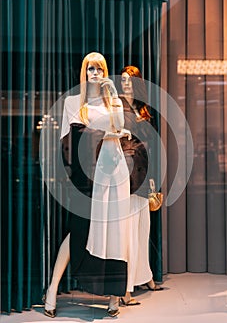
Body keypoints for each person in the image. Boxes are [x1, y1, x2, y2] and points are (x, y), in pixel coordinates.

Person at [43, 52, 131, 318]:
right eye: (90, 68)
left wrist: (112, 92)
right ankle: (52, 290)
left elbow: (120, 124)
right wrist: (109, 133)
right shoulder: (73, 102)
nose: (95, 72)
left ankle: (114, 296)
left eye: (100, 68)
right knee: (79, 230)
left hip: (114, 171)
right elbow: (72, 136)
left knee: (115, 230)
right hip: (87, 175)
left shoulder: (113, 101)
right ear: (84, 71)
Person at [118, 65, 163, 306]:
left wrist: (153, 177)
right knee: (128, 232)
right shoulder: (117, 106)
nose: (125, 83)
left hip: (143, 171)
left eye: (130, 80)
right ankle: (125, 289)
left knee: (142, 228)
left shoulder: (144, 109)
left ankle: (145, 275)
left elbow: (152, 144)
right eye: (123, 79)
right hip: (126, 172)